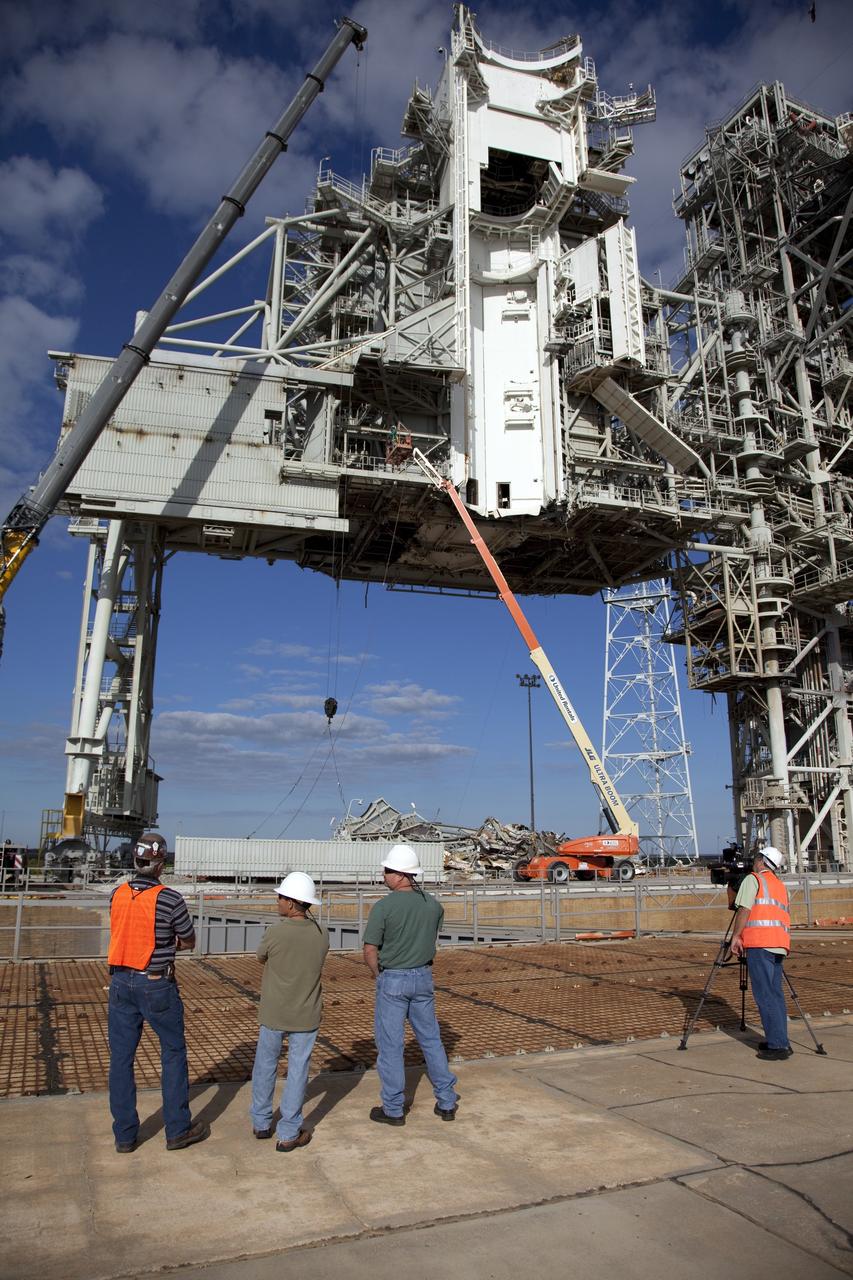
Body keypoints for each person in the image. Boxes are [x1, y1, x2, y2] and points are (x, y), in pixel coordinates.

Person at [107, 832, 209, 1152]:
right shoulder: (170, 898)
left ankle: (125, 1135)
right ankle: (177, 1129)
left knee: (121, 1059)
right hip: (156, 984)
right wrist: (169, 942)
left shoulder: (116, 894)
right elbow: (189, 940)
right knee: (173, 1054)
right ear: (160, 863)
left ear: (135, 860)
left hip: (121, 982)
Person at [362, 844, 459, 1125]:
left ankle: (393, 1109)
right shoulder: (433, 905)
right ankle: (447, 1101)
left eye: (388, 871)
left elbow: (370, 950)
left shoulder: (383, 907)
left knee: (391, 1046)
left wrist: (379, 975)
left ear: (402, 875)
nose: (384, 875)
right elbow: (431, 938)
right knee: (431, 1040)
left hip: (393, 979)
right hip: (423, 978)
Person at [250, 871, 329, 1152]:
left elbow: (261, 957)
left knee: (265, 1066)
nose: (278, 901)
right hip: (306, 1014)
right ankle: (288, 1132)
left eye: (281, 897)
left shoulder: (275, 931)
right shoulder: (321, 933)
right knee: (297, 1070)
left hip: (273, 1012)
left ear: (293, 902)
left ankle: (261, 1123)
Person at [730, 845, 792, 1060]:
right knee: (775, 995)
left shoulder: (753, 879)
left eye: (756, 859)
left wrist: (736, 936)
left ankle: (777, 1046)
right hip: (779, 945)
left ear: (761, 861)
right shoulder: (780, 885)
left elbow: (744, 909)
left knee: (765, 995)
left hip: (760, 945)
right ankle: (781, 1040)